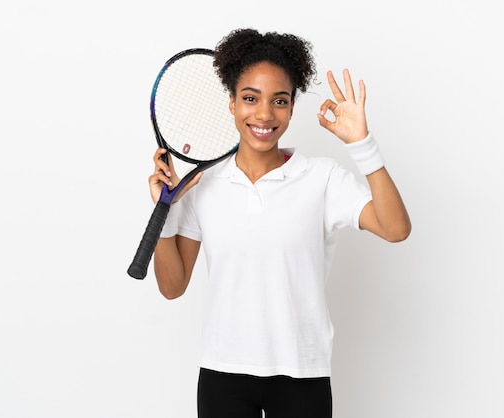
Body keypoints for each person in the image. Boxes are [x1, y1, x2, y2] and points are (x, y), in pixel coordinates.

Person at [148, 28, 411, 418]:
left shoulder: (321, 178)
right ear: (232, 103)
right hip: (224, 375)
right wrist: (164, 212)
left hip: (302, 376)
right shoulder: (202, 185)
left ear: (291, 107)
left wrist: (361, 143)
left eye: (280, 101)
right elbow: (172, 287)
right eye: (250, 98)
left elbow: (395, 228)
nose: (265, 114)